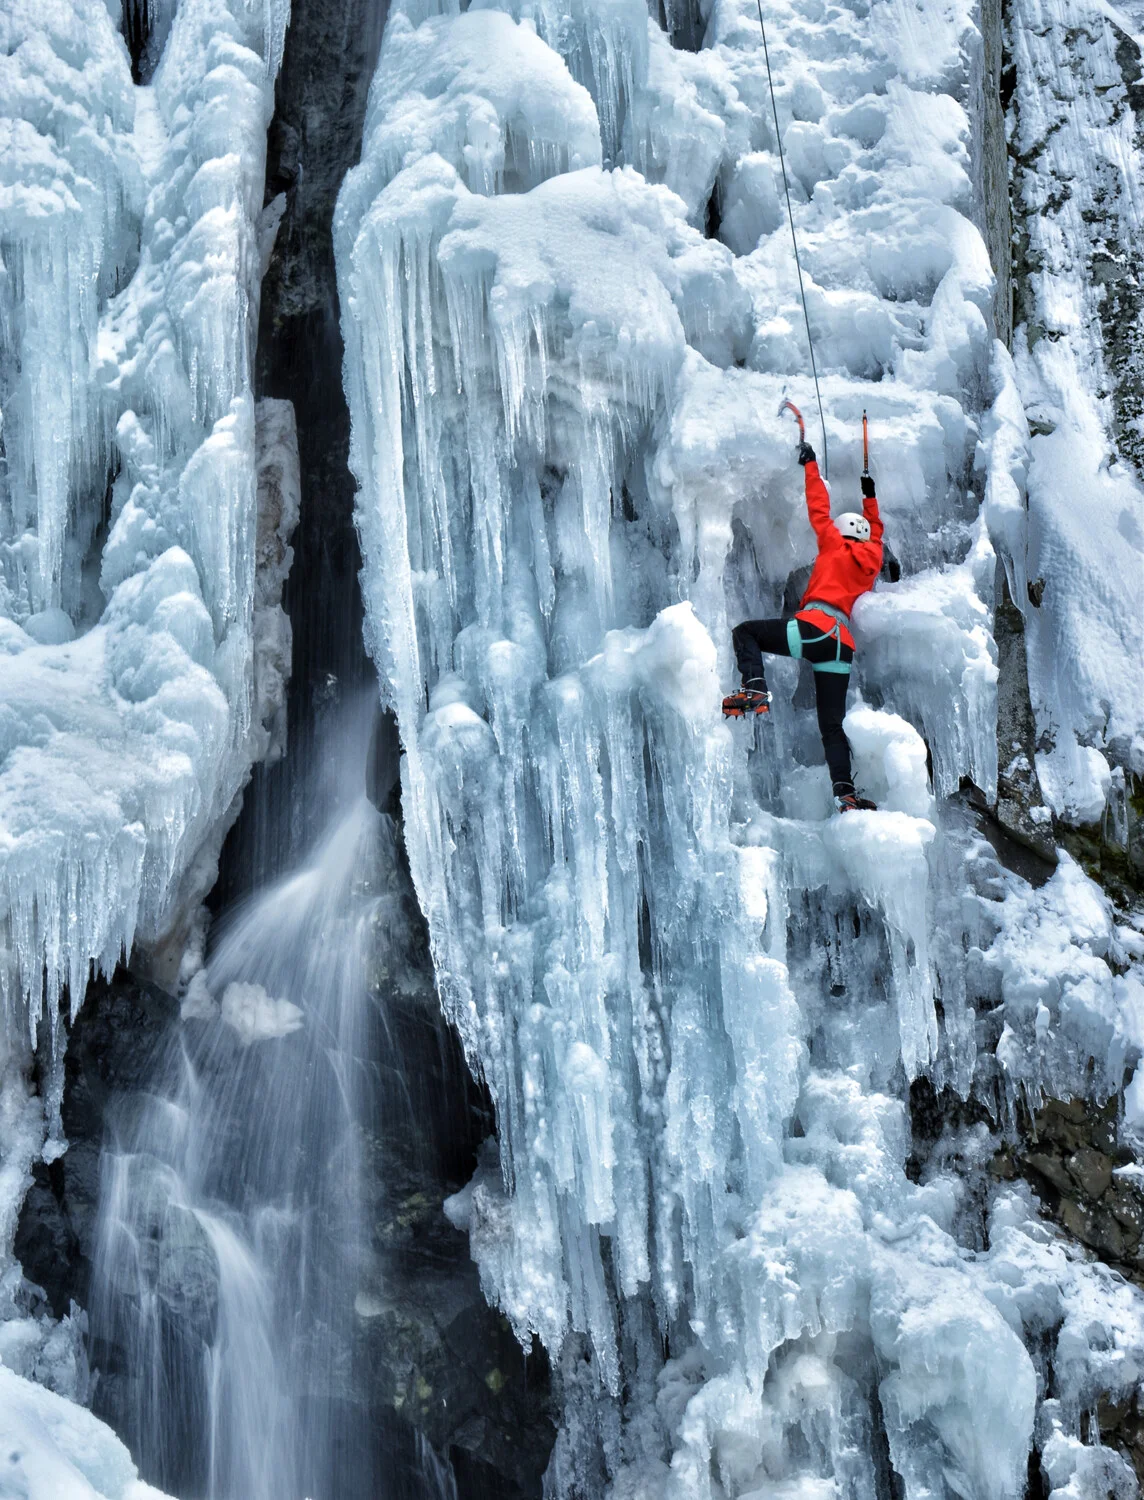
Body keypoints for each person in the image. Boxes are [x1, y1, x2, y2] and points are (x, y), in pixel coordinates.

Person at [723, 439, 883, 814]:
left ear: (842, 532)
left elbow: (818, 508)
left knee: (745, 633)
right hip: (840, 646)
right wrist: (870, 496)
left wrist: (810, 465)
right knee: (832, 726)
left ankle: (755, 688)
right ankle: (846, 794)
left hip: (814, 627)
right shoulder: (872, 556)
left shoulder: (833, 544)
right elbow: (876, 530)